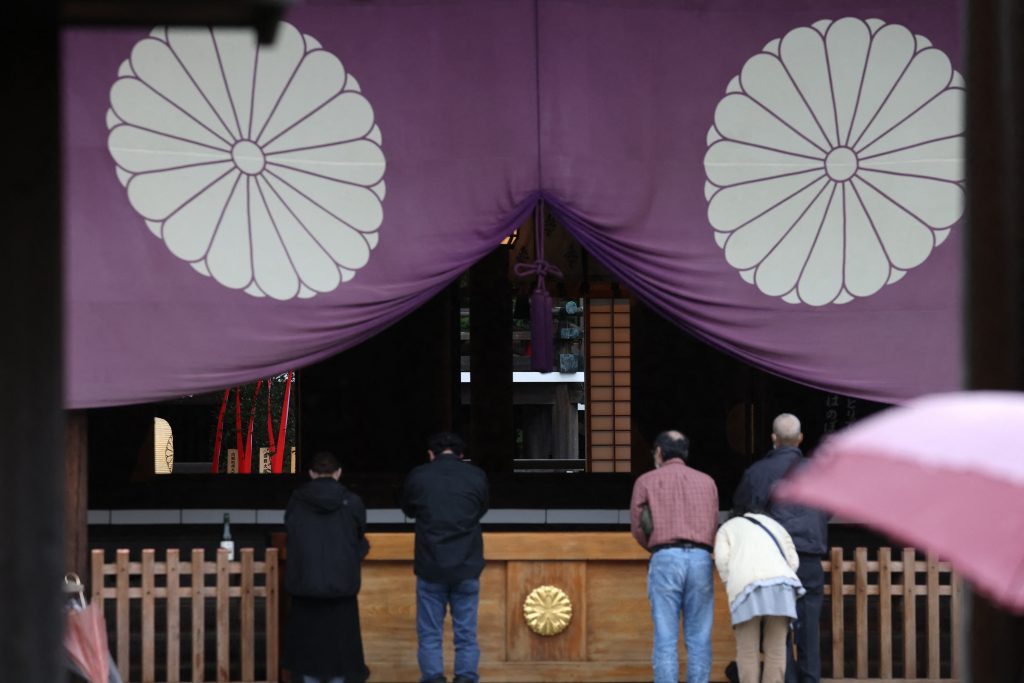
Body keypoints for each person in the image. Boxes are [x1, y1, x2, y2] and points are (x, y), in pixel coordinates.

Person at [733, 413, 829, 683]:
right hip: (809, 558)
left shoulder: (757, 472)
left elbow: (741, 512)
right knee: (809, 628)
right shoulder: (819, 471)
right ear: (800, 438)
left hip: (774, 561)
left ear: (773, 438)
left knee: (778, 630)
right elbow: (829, 508)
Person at [630, 430, 720, 683]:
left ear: (659, 452)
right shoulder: (707, 482)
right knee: (699, 636)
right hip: (701, 558)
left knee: (666, 636)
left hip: (665, 557)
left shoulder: (646, 481)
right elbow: (713, 524)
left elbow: (637, 526)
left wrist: (656, 547)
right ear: (686, 453)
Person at [401, 432, 489, 683]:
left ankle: (433, 678)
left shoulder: (419, 476)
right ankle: (465, 678)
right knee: (466, 634)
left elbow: (407, 508)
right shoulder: (476, 476)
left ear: (431, 455)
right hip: (467, 565)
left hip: (430, 565)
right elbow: (482, 509)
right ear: (462, 455)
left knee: (430, 634)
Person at [283, 451, 370, 683]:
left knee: (308, 652)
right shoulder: (352, 502)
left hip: (305, 586)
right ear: (338, 473)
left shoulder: (297, 500)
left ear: (312, 474)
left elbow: (292, 534)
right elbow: (359, 539)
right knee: (340, 650)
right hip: (341, 587)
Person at [715, 510, 805, 683]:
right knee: (777, 649)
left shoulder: (727, 528)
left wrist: (732, 584)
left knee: (747, 650)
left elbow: (722, 560)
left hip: (746, 589)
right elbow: (793, 560)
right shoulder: (775, 525)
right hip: (781, 586)